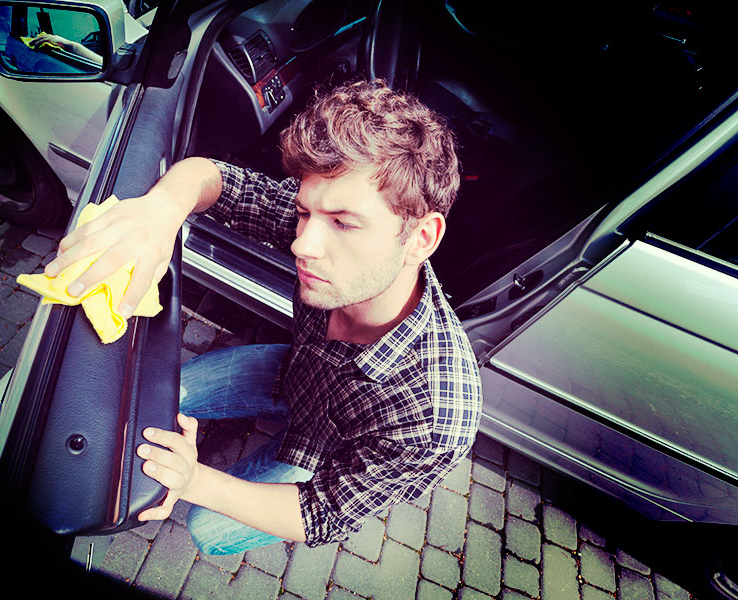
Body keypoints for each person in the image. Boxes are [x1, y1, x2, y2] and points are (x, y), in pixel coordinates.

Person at [44, 79, 482, 554]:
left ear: (420, 238)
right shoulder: (322, 226)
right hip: (290, 374)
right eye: (304, 213)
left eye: (343, 223)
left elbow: (322, 514)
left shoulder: (437, 416)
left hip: (326, 451)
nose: (303, 244)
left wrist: (193, 479)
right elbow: (216, 178)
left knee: (208, 530)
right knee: (160, 395)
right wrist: (161, 210)